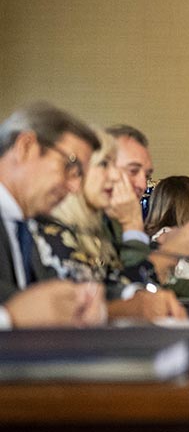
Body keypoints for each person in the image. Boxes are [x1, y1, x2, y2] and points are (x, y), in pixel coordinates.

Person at [39, 129, 187, 320]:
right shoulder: (53, 229)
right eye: (104, 165)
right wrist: (134, 227)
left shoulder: (99, 227)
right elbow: (86, 308)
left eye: (146, 175)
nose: (114, 176)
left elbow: (126, 291)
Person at [0, 102, 107, 327]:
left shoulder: (29, 224)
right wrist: (9, 317)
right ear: (26, 147)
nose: (75, 188)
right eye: (71, 167)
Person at [106, 125, 189, 280]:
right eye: (133, 171)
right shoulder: (81, 223)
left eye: (147, 176)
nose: (143, 185)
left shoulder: (115, 223)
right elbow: (128, 286)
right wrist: (168, 253)